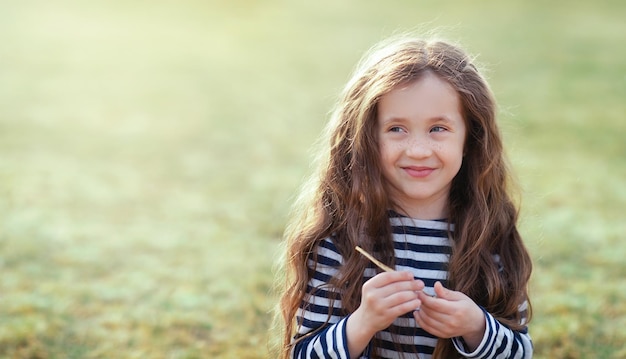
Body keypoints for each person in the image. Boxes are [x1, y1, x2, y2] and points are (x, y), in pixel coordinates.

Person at [276, 35, 533, 359]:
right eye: (396, 128)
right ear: (367, 138)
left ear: (470, 138)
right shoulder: (339, 240)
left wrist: (476, 327)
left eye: (438, 128)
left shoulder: (490, 235)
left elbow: (521, 352)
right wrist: (362, 323)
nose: (418, 150)